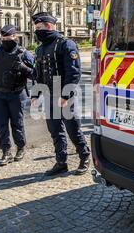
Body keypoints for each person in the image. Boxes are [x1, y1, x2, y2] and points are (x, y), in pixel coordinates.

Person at [30, 12, 90, 176]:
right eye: (36, 28)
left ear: (49, 26)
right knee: (55, 131)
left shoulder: (66, 44)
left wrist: (65, 96)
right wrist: (35, 94)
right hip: (49, 95)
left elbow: (73, 73)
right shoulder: (40, 49)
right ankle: (61, 162)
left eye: (39, 27)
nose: (37, 31)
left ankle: (84, 156)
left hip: (65, 95)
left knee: (73, 129)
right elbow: (38, 74)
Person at [0, 24, 35, 166]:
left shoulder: (24, 54)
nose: (5, 40)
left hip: (17, 94)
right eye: (3, 38)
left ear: (15, 37)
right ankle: (6, 151)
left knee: (17, 123)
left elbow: (35, 74)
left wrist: (24, 68)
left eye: (8, 37)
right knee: (1, 125)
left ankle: (21, 147)